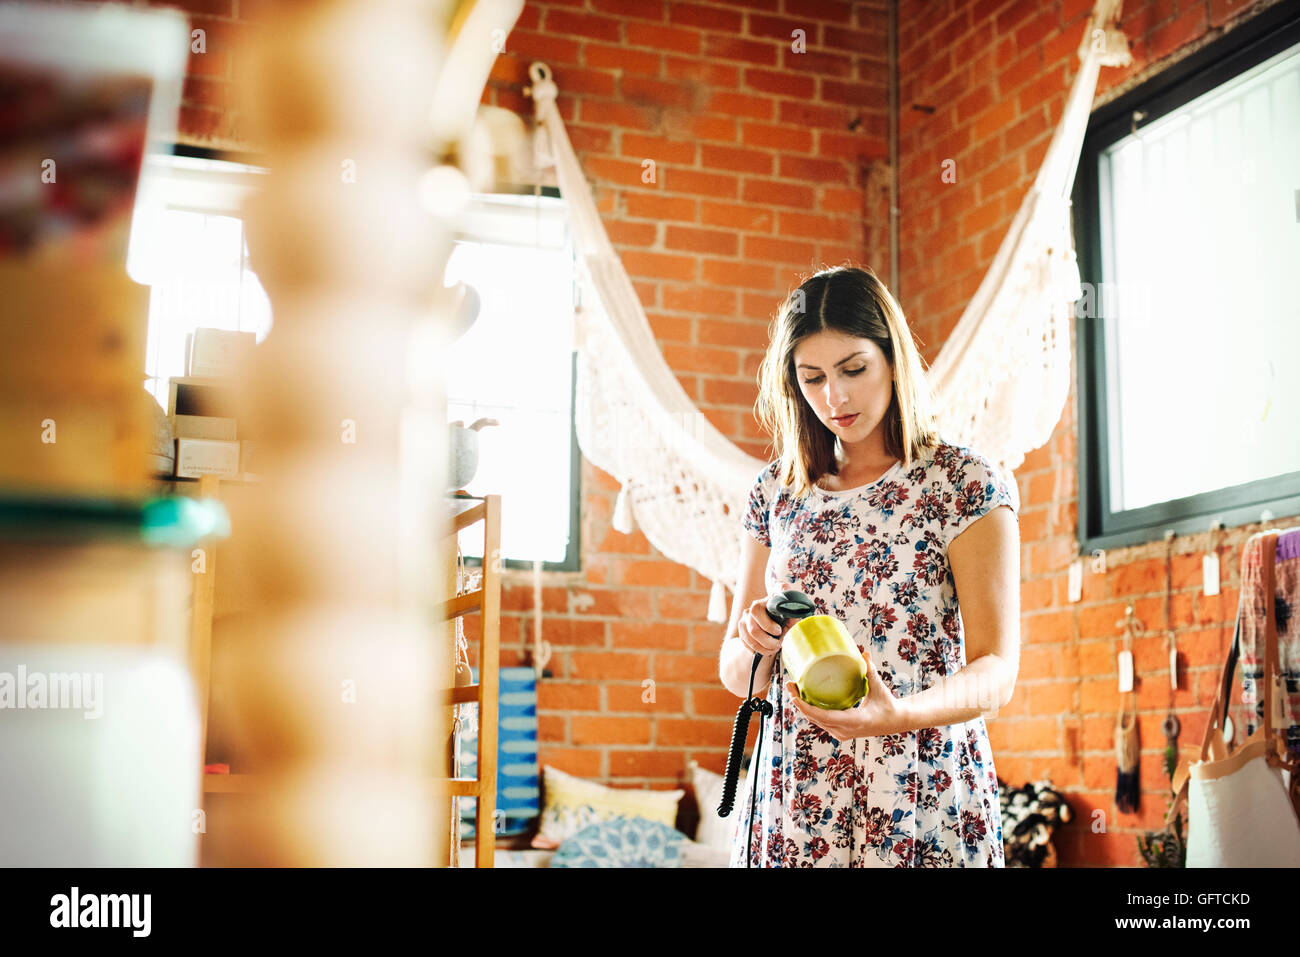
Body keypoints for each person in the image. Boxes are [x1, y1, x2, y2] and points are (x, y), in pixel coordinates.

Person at [718, 264, 1020, 867]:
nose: (836, 396)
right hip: (797, 800)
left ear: (892, 358)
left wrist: (896, 716)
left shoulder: (963, 483)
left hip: (920, 785)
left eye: (853, 369)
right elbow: (736, 673)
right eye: (813, 377)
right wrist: (756, 643)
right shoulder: (776, 492)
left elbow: (997, 673)